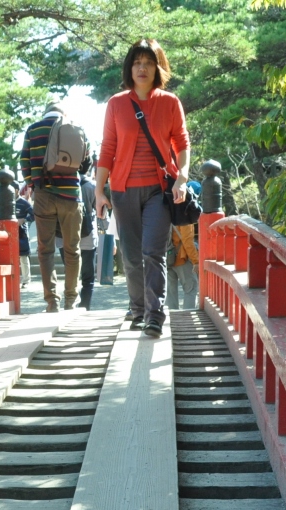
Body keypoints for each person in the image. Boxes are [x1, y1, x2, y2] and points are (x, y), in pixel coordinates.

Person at [95, 38, 191, 338]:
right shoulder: (116, 104)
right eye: (137, 62)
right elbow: (108, 148)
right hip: (123, 190)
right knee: (131, 256)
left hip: (158, 191)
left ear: (158, 68)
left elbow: (182, 143)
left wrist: (182, 177)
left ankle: (154, 315)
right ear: (130, 67)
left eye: (149, 63)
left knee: (153, 252)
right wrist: (99, 191)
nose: (142, 68)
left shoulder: (170, 102)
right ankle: (138, 310)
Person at [19, 102, 87, 311]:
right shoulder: (76, 128)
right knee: (72, 249)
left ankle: (52, 301)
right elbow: (85, 163)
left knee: (45, 249)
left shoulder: (33, 130)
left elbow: (24, 162)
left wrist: (32, 184)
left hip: (44, 195)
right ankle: (71, 299)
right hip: (71, 196)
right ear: (63, 113)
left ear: (45, 112)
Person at [59, 158, 98, 309]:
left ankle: (70, 302)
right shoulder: (92, 186)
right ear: (88, 168)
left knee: (70, 272)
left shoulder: (61, 185)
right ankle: (85, 306)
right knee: (88, 278)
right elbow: (100, 212)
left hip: (65, 236)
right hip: (87, 236)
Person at [169, 222, 198, 309]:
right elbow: (187, 242)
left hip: (167, 258)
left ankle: (172, 316)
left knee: (170, 293)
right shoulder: (184, 219)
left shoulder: (165, 215)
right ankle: (188, 315)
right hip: (182, 258)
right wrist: (196, 261)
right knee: (190, 289)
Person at [15, 186, 34, 288]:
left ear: (17, 190)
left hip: (22, 232)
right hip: (9, 232)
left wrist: (24, 220)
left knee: (23, 256)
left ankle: (26, 280)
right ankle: (13, 279)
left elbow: (34, 214)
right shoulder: (6, 202)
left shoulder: (24, 203)